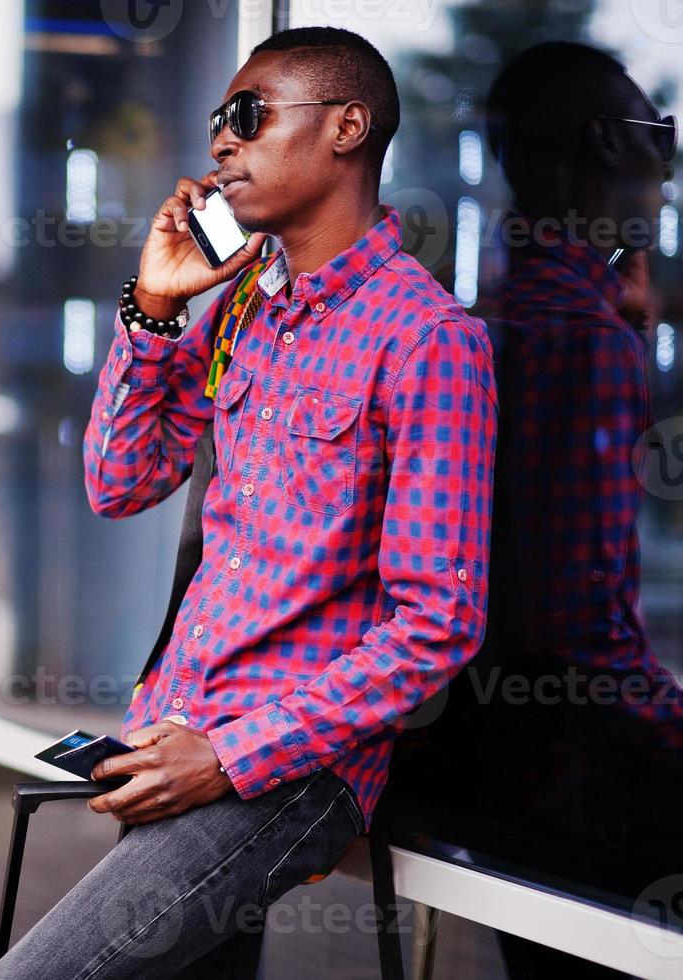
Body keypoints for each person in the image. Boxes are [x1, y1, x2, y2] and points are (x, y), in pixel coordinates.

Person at [0, 26, 497, 979]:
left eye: (248, 116)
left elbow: (437, 622)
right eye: (219, 121)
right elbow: (119, 482)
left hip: (280, 772)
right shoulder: (243, 309)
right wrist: (151, 314)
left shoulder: (428, 341)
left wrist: (228, 757)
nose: (221, 142)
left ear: (346, 127)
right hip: (171, 740)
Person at [387, 41, 682, 980]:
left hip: (476, 751)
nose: (667, 167)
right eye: (660, 137)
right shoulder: (581, 340)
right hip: (565, 768)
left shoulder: (485, 316)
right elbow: (580, 624)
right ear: (605, 141)